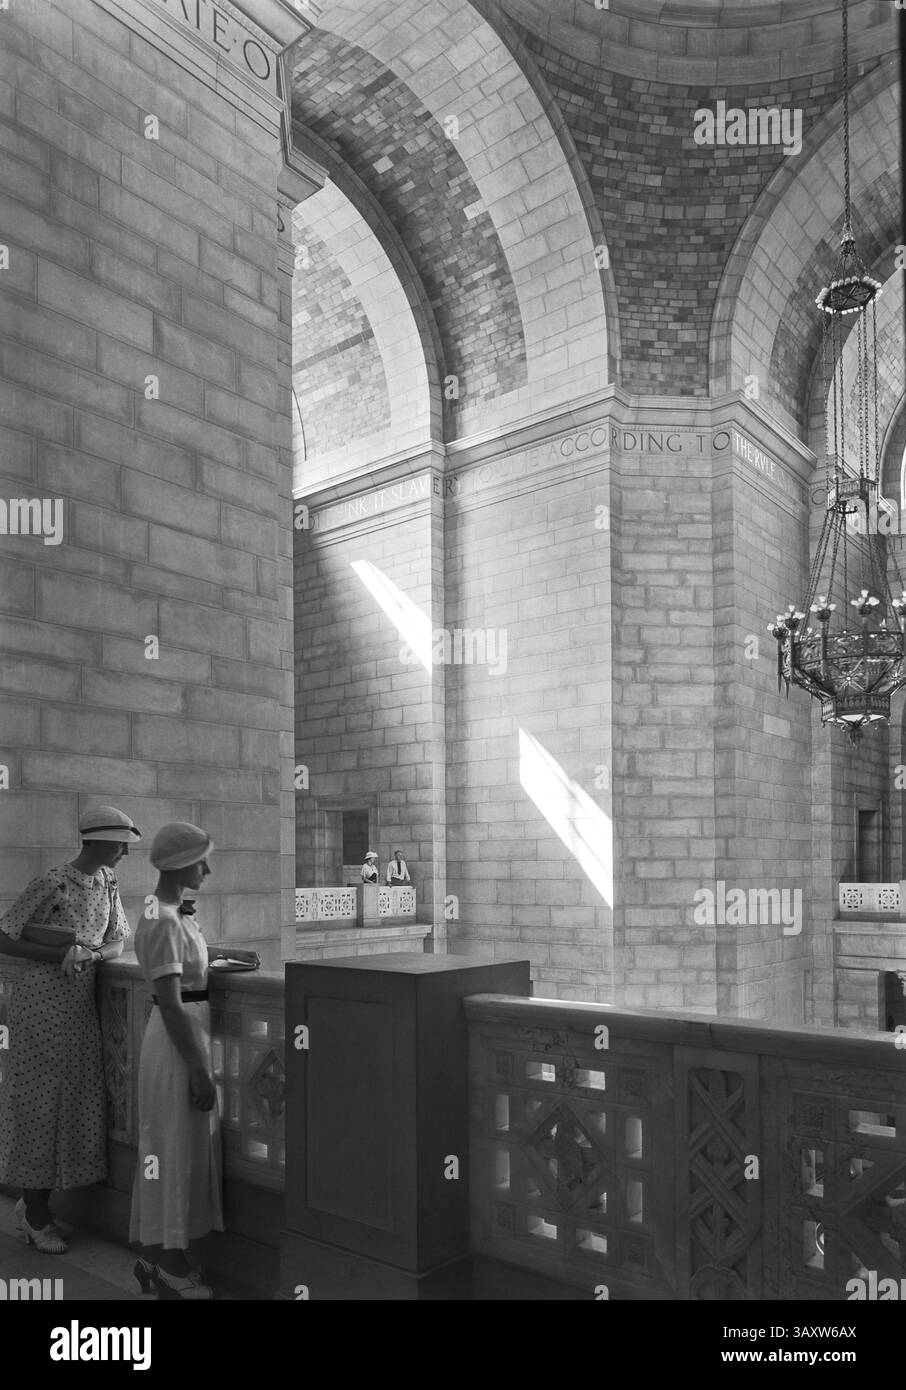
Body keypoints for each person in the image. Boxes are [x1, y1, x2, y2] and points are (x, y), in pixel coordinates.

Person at [0, 805, 139, 1252]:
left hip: (78, 1009)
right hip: (38, 1005)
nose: (123, 853)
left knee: (75, 1100)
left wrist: (94, 956)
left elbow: (119, 938)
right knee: (40, 1103)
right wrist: (58, 955)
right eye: (119, 844)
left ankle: (34, 1201)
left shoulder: (108, 883)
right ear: (95, 841)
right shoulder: (52, 881)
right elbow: (3, 935)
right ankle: (37, 1214)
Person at [129, 822, 258, 1300]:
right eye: (202, 859)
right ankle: (168, 1265)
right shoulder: (162, 918)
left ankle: (154, 1256)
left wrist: (222, 954)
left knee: (173, 1147)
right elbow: (170, 1000)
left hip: (184, 1034)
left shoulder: (170, 914)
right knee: (172, 1150)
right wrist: (200, 1069)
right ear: (181, 864)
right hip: (178, 1041)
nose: (208, 867)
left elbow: (184, 970)